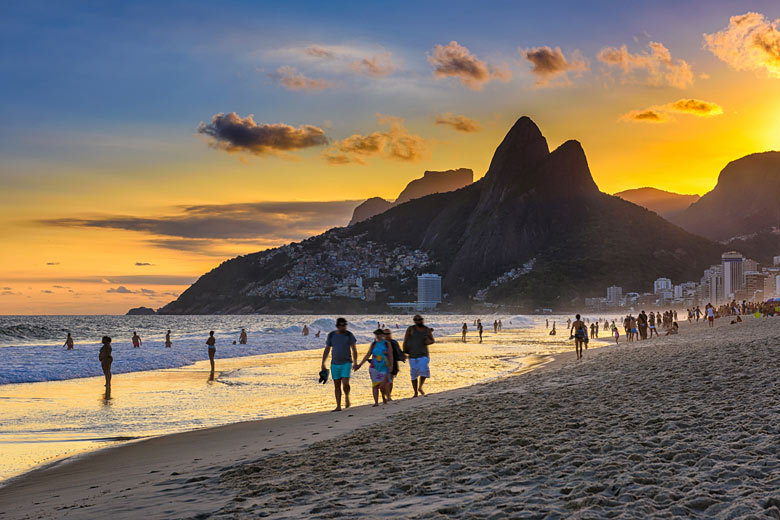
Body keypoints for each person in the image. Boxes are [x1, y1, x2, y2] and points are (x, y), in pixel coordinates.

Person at [321, 317, 358, 412]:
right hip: (334, 363)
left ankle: (347, 396)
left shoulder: (349, 335)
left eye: (345, 325)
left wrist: (355, 362)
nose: (344, 327)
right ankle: (338, 406)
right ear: (337, 326)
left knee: (345, 383)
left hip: (346, 362)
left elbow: (354, 349)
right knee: (336, 385)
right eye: (342, 325)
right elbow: (327, 349)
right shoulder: (331, 335)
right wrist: (323, 363)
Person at [356, 329, 394, 406]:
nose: (378, 336)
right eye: (377, 334)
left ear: (383, 335)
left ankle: (383, 397)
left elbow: (390, 355)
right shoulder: (374, 344)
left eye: (379, 334)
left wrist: (391, 365)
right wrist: (360, 364)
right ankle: (376, 402)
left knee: (383, 385)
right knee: (375, 385)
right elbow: (368, 355)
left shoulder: (387, 344)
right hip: (374, 367)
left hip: (384, 367)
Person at [403, 315, 435, 397]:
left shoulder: (427, 330)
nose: (418, 321)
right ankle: (415, 392)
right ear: (414, 321)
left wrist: (429, 341)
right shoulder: (410, 329)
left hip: (423, 354)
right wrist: (404, 351)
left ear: (422, 320)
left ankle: (420, 387)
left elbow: (432, 340)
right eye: (416, 320)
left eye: (420, 320)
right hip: (412, 354)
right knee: (414, 373)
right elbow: (405, 340)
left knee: (424, 370)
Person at [383, 328, 404, 399]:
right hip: (383, 364)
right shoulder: (381, 343)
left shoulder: (394, 342)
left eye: (388, 334)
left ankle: (388, 396)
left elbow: (399, 351)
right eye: (385, 334)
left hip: (393, 363)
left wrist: (403, 357)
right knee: (384, 381)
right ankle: (386, 395)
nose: (387, 335)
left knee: (390, 380)